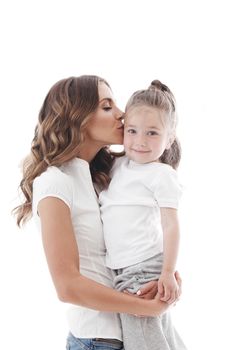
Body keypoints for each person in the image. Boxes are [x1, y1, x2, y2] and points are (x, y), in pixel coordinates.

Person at [13, 75, 182, 350]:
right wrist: (147, 307)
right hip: (98, 340)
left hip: (128, 334)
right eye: (107, 106)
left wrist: (166, 277)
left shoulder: (103, 177)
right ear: (77, 116)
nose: (122, 114)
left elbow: (130, 241)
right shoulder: (55, 183)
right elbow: (68, 287)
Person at [99, 80, 187, 350]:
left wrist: (168, 273)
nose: (139, 142)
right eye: (133, 131)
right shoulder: (117, 165)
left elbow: (171, 225)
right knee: (157, 335)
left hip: (142, 267)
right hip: (123, 267)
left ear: (169, 137)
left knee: (143, 341)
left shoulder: (161, 175)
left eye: (152, 133)